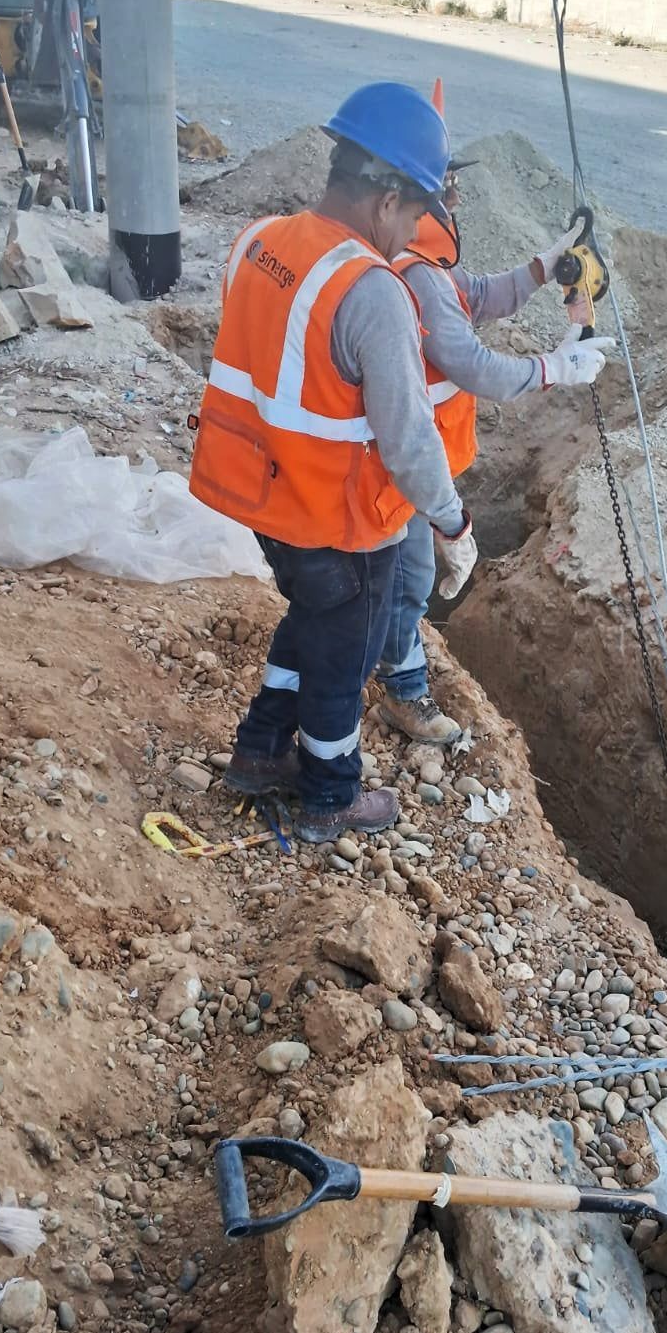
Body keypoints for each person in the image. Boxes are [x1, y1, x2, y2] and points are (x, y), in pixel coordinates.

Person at [188, 81, 477, 844]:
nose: (414, 230)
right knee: (343, 662)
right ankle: (329, 795)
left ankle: (257, 751)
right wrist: (453, 520)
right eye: (416, 212)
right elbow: (412, 443)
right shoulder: (371, 290)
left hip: (259, 497)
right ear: (386, 200)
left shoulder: (260, 240)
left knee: (311, 619)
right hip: (337, 520)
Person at [377, 160, 613, 743]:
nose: (456, 201)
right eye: (448, 190)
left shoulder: (424, 268)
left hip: (410, 457)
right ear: (415, 199)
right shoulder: (418, 278)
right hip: (401, 461)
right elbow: (472, 364)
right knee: (410, 579)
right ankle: (402, 693)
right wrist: (553, 369)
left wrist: (541, 265)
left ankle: (382, 664)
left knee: (404, 576)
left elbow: (480, 295)